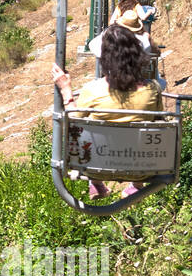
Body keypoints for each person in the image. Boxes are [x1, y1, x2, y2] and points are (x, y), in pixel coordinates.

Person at [52, 24, 164, 199]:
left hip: (97, 168)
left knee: (88, 130)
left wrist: (66, 90)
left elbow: (73, 122)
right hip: (141, 168)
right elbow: (158, 123)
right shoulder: (152, 89)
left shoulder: (93, 90)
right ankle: (136, 184)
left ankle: (96, 182)